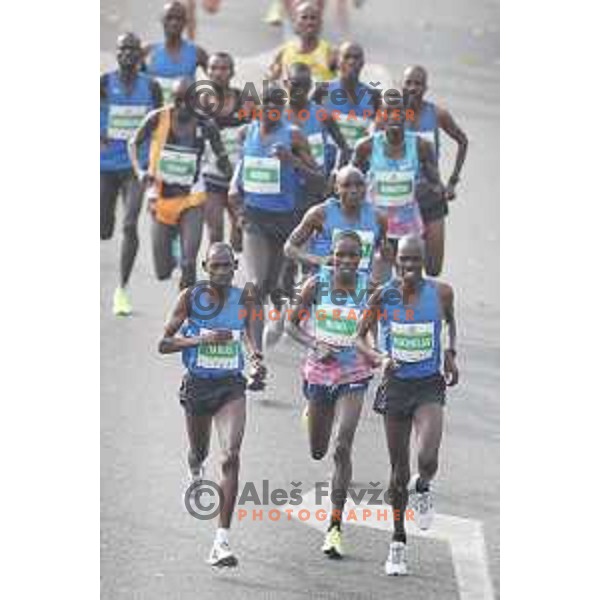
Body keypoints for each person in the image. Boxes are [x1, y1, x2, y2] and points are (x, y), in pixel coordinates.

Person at [355, 235, 459, 576]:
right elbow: (360, 335)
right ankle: (398, 543)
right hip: (396, 387)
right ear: (396, 261)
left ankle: (424, 486)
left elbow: (450, 322)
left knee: (427, 459)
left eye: (416, 260)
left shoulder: (442, 292)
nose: (410, 267)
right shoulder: (383, 295)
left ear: (424, 260)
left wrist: (450, 354)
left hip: (429, 385)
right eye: (405, 261)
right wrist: (378, 357)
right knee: (398, 474)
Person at [158, 242, 266, 568]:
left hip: (231, 386)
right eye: (215, 266)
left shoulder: (244, 297)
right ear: (205, 267)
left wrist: (256, 359)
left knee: (231, 457)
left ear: (235, 267)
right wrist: (201, 339)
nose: (222, 272)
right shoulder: (191, 297)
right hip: (198, 385)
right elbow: (163, 343)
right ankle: (195, 468)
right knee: (200, 452)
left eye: (227, 266)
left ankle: (221, 542)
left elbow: (248, 335)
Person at [287, 231, 373, 558]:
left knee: (342, 446)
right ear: (333, 256)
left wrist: (377, 353)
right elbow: (291, 324)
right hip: (319, 374)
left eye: (354, 256)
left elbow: (381, 326)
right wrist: (315, 344)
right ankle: (312, 412)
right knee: (318, 450)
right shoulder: (316, 285)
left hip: (354, 374)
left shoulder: (369, 289)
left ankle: (334, 528)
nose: (348, 261)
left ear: (360, 258)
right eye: (342, 255)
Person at [228, 87, 324, 353]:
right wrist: (235, 200)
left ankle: (280, 310)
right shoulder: (246, 133)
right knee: (257, 284)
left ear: (283, 107)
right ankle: (256, 353)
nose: (271, 107)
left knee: (276, 284)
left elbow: (319, 179)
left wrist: (291, 160)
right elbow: (242, 169)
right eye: (266, 102)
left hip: (285, 220)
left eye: (277, 103)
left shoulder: (293, 135)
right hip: (254, 218)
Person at [129, 78, 231, 289]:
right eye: (178, 100)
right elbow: (133, 143)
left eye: (188, 100)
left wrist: (232, 177)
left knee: (188, 262)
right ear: (171, 99)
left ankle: (187, 313)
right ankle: (174, 242)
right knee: (162, 272)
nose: (183, 105)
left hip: (192, 199)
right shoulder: (157, 118)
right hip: (161, 198)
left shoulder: (206, 125)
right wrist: (140, 170)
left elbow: (223, 158)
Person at [101, 32, 163, 316]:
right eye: (122, 48)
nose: (127, 53)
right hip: (104, 167)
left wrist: (156, 162)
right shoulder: (103, 84)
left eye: (133, 49)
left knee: (129, 225)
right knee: (104, 229)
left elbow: (162, 125)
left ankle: (122, 290)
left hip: (135, 168)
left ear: (140, 55)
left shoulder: (151, 87)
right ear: (116, 53)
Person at [353, 106, 445, 276]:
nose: (394, 119)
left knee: (407, 279)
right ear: (381, 120)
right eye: (389, 115)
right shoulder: (366, 146)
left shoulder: (421, 146)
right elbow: (352, 178)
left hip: (407, 225)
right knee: (374, 278)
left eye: (399, 116)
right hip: (375, 223)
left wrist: (430, 186)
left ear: (406, 119)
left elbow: (435, 182)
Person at [401, 65, 469, 274]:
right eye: (409, 83)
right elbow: (371, 146)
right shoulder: (391, 115)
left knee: (433, 269)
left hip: (430, 196)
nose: (413, 88)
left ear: (426, 87)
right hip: (398, 197)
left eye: (418, 84)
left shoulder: (438, 114)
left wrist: (452, 182)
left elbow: (462, 141)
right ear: (402, 85)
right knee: (400, 265)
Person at [284, 165, 387, 278]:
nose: (354, 190)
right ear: (336, 189)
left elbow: (382, 254)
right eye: (346, 185)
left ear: (366, 187)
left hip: (361, 286)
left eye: (359, 185)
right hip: (325, 283)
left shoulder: (378, 217)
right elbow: (289, 248)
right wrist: (319, 260)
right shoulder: (320, 213)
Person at [199, 52, 245, 245]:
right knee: (215, 233)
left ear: (232, 72)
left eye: (224, 68)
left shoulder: (244, 99)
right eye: (214, 68)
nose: (218, 73)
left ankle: (235, 271)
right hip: (211, 176)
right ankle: (216, 273)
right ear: (207, 72)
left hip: (238, 176)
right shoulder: (200, 102)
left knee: (238, 240)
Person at [314, 42, 380, 154]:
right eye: (346, 57)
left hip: (358, 163)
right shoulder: (322, 90)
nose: (351, 61)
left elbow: (378, 132)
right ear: (338, 61)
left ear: (363, 63)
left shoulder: (373, 95)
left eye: (356, 57)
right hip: (327, 163)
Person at [144, 1, 209, 104]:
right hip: (156, 115)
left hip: (185, 115)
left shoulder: (197, 52)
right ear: (162, 20)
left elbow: (217, 82)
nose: (174, 23)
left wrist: (199, 94)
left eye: (179, 18)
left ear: (185, 22)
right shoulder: (148, 52)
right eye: (169, 18)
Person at [268, 1, 337, 83]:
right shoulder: (283, 53)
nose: (309, 22)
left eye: (313, 18)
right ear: (295, 22)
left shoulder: (330, 52)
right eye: (304, 17)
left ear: (320, 23)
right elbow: (269, 83)